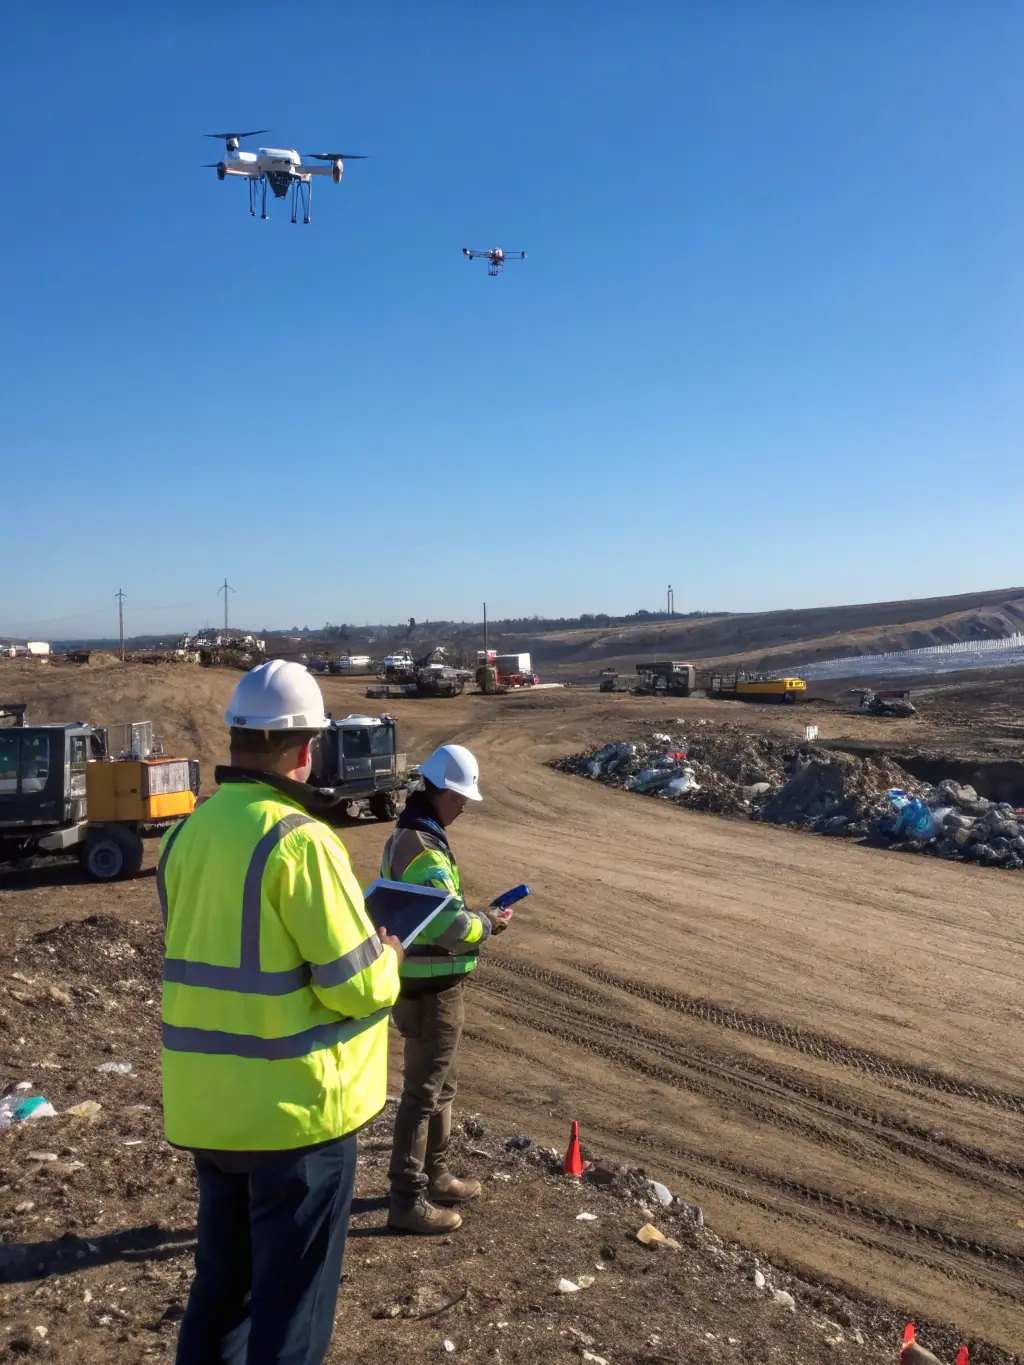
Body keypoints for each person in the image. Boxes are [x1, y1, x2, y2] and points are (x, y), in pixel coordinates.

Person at [159, 660, 403, 1365]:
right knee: (291, 1317)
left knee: (220, 1297)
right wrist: (386, 954)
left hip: (211, 1110)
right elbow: (355, 985)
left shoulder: (183, 836)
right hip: (296, 1121)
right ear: (306, 748)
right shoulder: (301, 842)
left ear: (236, 737)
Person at [382, 743, 510, 1235]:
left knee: (441, 1087)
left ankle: (435, 1174)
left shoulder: (413, 835)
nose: (463, 808)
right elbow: (450, 925)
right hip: (430, 990)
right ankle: (407, 1197)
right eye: (460, 798)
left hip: (433, 985)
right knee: (422, 1093)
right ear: (440, 792)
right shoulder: (423, 847)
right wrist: (488, 923)